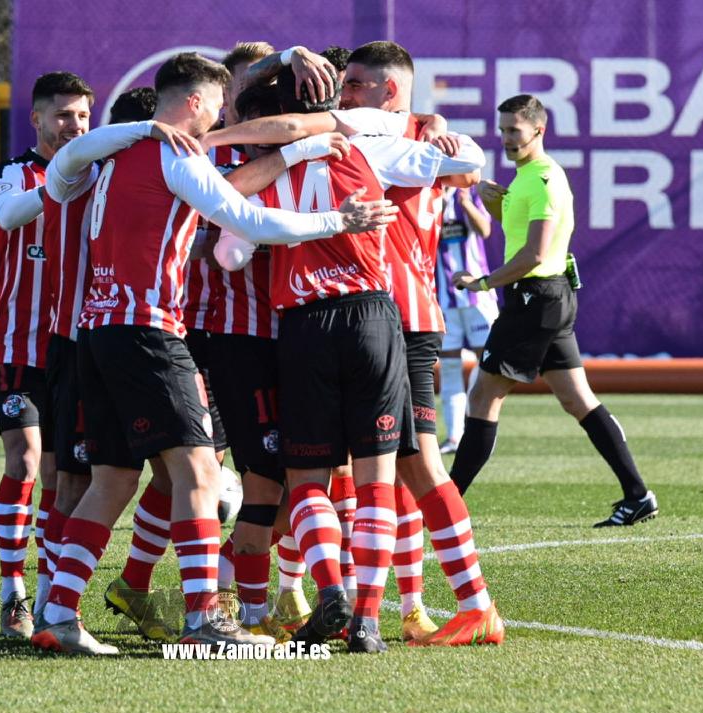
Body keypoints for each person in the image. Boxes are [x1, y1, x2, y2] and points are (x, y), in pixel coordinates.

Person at [30, 52, 397, 656]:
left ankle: (59, 612)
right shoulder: (174, 154)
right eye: (220, 108)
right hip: (148, 331)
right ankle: (204, 617)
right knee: (199, 473)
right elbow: (247, 219)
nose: (223, 120)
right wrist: (341, 219)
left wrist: (140, 129)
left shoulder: (108, 158)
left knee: (115, 479)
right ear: (197, 105)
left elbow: (62, 166)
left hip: (96, 334)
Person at [212, 61, 498, 651]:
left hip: (308, 324)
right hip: (380, 317)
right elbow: (469, 162)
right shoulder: (374, 146)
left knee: (316, 475)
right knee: (382, 477)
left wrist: (275, 213)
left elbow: (230, 254)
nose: (345, 93)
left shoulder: (267, 170)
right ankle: (375, 615)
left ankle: (346, 594)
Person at [449, 94, 659, 528]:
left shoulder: (543, 178)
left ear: (538, 130)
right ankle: (637, 494)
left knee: (484, 395)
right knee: (578, 400)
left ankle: (446, 507)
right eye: (503, 129)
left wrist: (481, 282)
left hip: (535, 300)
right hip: (549, 297)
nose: (506, 138)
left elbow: (534, 253)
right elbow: (523, 233)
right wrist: (497, 204)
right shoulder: (527, 177)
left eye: (515, 131)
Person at [0, 72, 93, 638]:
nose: (73, 126)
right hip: (17, 345)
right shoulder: (9, 175)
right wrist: (63, 179)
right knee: (25, 461)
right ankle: (13, 591)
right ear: (36, 119)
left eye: (81, 117)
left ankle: (53, 593)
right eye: (62, 116)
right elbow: (8, 216)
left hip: (73, 348)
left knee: (60, 475)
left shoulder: (99, 175)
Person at [435, 185, 498, 454]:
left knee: (487, 364)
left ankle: (478, 429)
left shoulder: (470, 193)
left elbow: (485, 230)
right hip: (443, 296)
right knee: (449, 366)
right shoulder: (428, 192)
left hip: (477, 296)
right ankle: (454, 437)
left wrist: (466, 204)